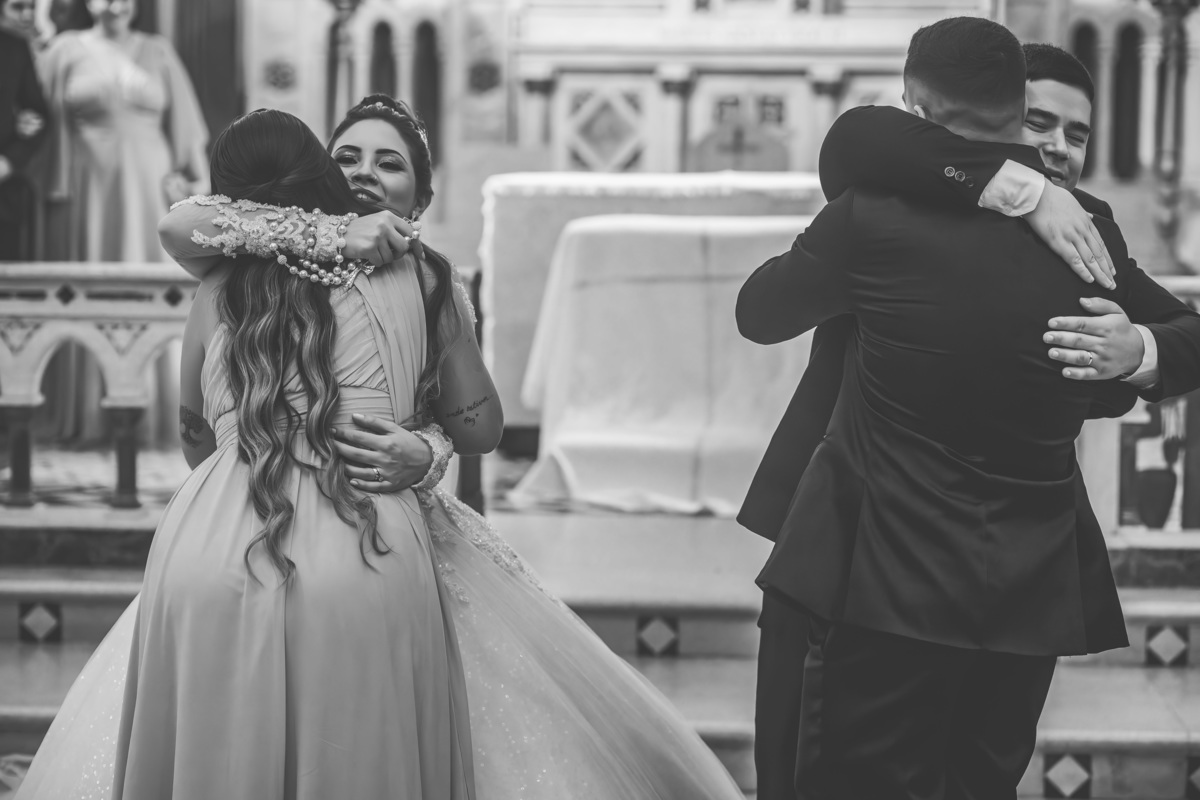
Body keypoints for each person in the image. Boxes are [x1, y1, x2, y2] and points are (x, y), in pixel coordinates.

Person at [15, 103, 746, 800]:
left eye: (388, 163)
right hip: (362, 539)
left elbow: (198, 433)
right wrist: (337, 238)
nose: (364, 173)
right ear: (320, 177)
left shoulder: (237, 276)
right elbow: (183, 224)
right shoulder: (385, 275)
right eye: (347, 157)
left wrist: (423, 447)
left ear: (420, 197)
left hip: (216, 537)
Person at [738, 18, 1200, 799]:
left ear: (923, 106)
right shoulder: (1078, 237)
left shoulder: (878, 214)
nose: (1056, 147)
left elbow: (763, 310)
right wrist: (1021, 190)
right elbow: (866, 138)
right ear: (1010, 113)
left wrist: (1139, 352)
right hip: (1018, 587)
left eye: (1076, 132)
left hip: (869, 573)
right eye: (1040, 123)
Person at [37, 0, 209, 444]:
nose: (114, 3)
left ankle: (153, 415)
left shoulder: (159, 51)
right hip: (85, 193)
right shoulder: (63, 50)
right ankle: (85, 416)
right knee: (88, 289)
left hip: (150, 190)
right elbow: (35, 122)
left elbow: (188, 131)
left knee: (149, 287)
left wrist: (191, 184)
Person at [0, 0, 47, 261]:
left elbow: (40, 115)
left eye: (32, 7)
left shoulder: (14, 48)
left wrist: (8, 162)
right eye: (18, 7)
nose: (28, 15)